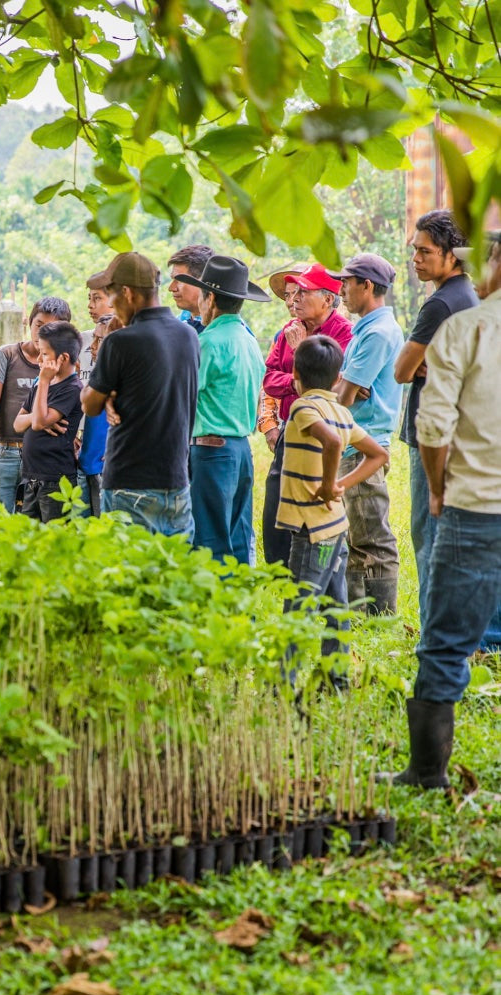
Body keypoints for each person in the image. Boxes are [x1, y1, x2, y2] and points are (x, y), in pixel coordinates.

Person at [388, 232, 501, 788]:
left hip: (474, 504)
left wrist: (436, 487)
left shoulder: (463, 328)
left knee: (445, 639)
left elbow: (431, 428)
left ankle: (426, 771)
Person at [277, 335, 388, 692]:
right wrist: (343, 483)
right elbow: (378, 455)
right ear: (338, 376)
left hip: (313, 528)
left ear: (295, 372)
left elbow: (333, 442)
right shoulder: (341, 411)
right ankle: (336, 679)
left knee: (299, 605)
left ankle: (283, 682)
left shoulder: (302, 407)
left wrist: (329, 484)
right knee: (335, 605)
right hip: (336, 525)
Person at [393, 210, 479, 625]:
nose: (416, 259)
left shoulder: (441, 302)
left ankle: (433, 633)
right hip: (468, 432)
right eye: (415, 251)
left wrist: (427, 365)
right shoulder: (474, 296)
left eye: (425, 252)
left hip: (433, 434)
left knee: (428, 536)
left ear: (453, 255)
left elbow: (402, 371)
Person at [81, 252, 199, 536]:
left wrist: (107, 390)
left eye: (111, 295)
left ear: (127, 293)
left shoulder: (119, 342)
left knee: (128, 575)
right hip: (176, 479)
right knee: (173, 572)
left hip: (129, 481)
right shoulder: (188, 336)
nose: (110, 304)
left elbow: (90, 404)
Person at [172, 255, 268, 563]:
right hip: (241, 450)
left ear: (209, 298)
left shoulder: (209, 342)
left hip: (212, 451)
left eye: (201, 294)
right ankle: (242, 610)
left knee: (210, 538)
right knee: (238, 535)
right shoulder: (248, 340)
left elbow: (181, 396)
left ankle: (214, 608)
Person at [327, 254, 405, 614]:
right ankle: (359, 615)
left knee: (371, 535)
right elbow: (343, 388)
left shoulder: (376, 333)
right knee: (356, 534)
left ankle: (378, 617)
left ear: (367, 286)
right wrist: (343, 385)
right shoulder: (365, 329)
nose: (341, 291)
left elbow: (342, 396)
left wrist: (342, 387)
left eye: (346, 283)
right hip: (353, 443)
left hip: (364, 444)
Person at [0, 296, 70, 512]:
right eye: (39, 325)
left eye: (51, 328)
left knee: (34, 521)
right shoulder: (7, 354)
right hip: (5, 451)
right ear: (28, 323)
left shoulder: (62, 364)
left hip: (43, 454)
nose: (42, 334)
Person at [261, 263, 310, 565]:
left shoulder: (338, 332)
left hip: (316, 427)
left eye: (298, 294)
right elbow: (269, 379)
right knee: (275, 499)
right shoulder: (284, 334)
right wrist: (294, 382)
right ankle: (278, 571)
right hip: (286, 425)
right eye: (289, 295)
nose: (292, 302)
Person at [13, 321, 84, 522]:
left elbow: (37, 423)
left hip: (55, 480)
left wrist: (43, 381)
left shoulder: (72, 388)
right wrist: (38, 416)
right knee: (29, 540)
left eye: (44, 354)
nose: (38, 360)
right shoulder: (40, 388)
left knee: (54, 542)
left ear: (63, 358)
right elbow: (18, 423)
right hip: (31, 477)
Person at [76, 314, 113, 517]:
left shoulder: (125, 379)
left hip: (106, 468)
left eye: (101, 339)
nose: (93, 346)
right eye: (94, 339)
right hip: (86, 463)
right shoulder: (98, 375)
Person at [167, 243, 214, 334]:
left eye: (180, 280)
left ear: (202, 281)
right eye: (173, 279)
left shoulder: (221, 331)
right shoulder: (179, 323)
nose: (171, 288)